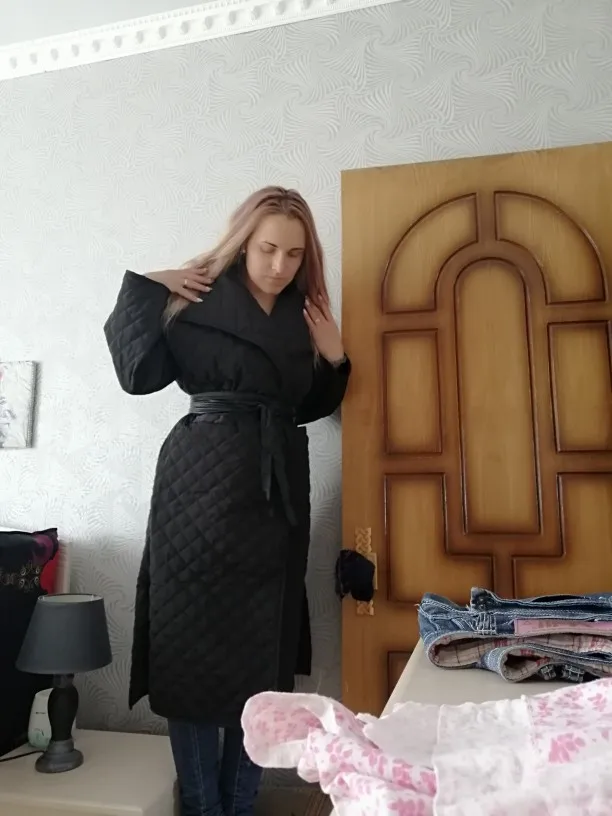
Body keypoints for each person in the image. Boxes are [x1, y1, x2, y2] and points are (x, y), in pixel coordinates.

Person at [103, 186, 351, 816]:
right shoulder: (196, 300)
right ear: (243, 243)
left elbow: (309, 405)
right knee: (187, 649)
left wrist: (335, 358)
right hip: (198, 486)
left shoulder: (303, 316)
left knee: (261, 658)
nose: (279, 265)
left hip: (275, 494)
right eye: (268, 248)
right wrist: (148, 286)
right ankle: (203, 805)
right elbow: (136, 376)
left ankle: (240, 804)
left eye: (294, 253)